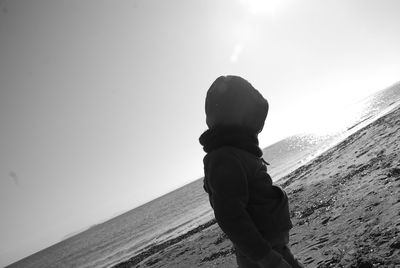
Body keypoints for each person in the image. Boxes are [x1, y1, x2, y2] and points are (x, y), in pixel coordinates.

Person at [199, 76, 303, 268]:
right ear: (237, 120)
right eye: (252, 125)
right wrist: (266, 257)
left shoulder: (239, 151)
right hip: (262, 254)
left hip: (273, 247)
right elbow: (230, 215)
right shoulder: (225, 159)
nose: (255, 134)